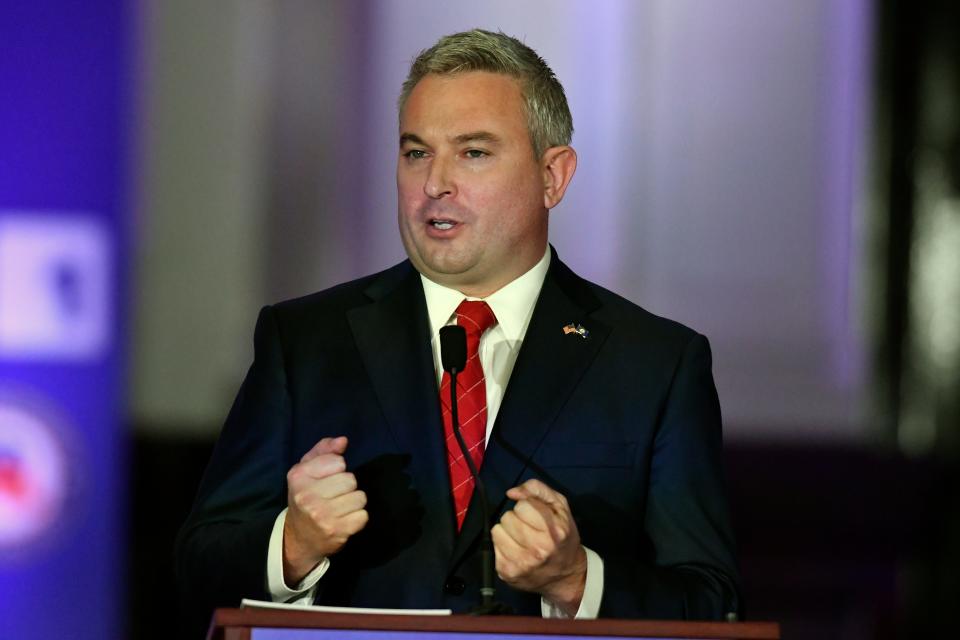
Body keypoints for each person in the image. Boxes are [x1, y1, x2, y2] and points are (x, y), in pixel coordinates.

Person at [176, 28, 741, 636]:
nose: (434, 184)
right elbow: (199, 563)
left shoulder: (654, 363)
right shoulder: (305, 341)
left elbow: (708, 601)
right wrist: (293, 545)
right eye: (416, 152)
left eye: (473, 152)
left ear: (553, 176)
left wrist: (577, 580)